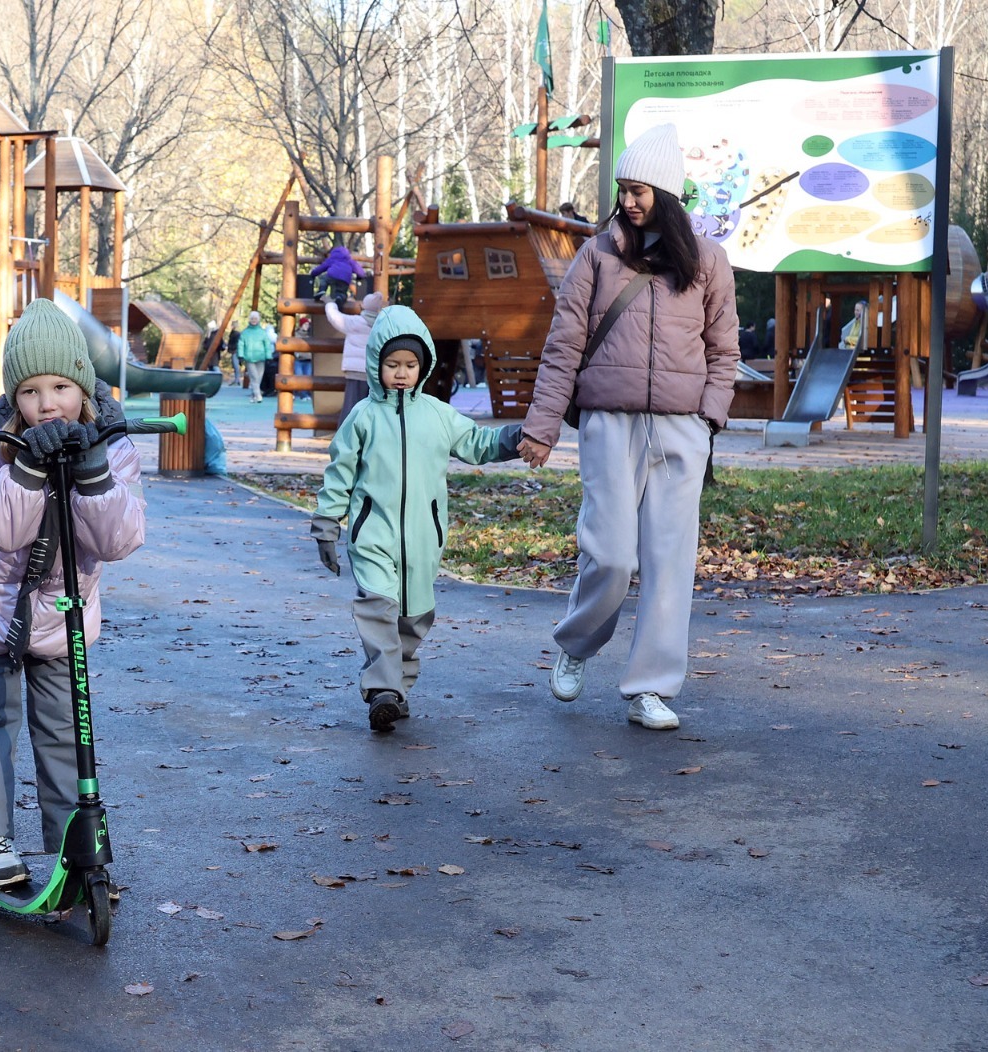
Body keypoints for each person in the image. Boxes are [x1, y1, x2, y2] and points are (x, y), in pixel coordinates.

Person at [516, 122, 740, 731]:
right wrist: (541, 428)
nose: (629, 200)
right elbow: (564, 345)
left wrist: (709, 416)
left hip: (680, 429)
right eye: (623, 189)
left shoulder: (708, 262)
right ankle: (576, 643)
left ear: (665, 194)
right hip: (609, 423)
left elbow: (724, 350)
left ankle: (651, 688)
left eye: (639, 190)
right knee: (610, 555)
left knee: (670, 562)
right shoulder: (598, 255)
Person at [0, 298, 145, 888]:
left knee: (64, 730)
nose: (46, 403)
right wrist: (27, 469)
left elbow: (117, 540)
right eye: (30, 391)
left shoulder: (112, 446)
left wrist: (91, 470)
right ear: (14, 398)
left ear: (83, 386)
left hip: (62, 621)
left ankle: (70, 841)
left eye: (60, 386)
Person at [309, 305, 523, 732]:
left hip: (424, 537)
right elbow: (339, 473)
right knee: (378, 608)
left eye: (410, 364)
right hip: (373, 533)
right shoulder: (363, 417)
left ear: (423, 365)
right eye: (392, 365)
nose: (402, 373)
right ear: (377, 365)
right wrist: (327, 525)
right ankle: (382, 689)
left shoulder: (439, 415)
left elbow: (477, 443)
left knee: (413, 617)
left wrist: (518, 437)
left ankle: (396, 690)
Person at [323, 291, 383, 426]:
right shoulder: (382, 325)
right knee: (371, 410)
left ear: (363, 306)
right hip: (375, 374)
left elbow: (335, 317)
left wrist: (330, 303)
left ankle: (345, 440)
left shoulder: (355, 322)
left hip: (355, 372)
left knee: (351, 408)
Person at [235, 311, 273, 403]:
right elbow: (241, 345)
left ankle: (254, 395)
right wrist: (240, 356)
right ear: (249, 320)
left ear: (258, 320)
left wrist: (269, 356)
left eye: (255, 319)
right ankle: (258, 395)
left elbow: (267, 345)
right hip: (249, 358)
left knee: (258, 378)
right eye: (252, 319)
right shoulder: (245, 332)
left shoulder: (262, 332)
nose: (254, 320)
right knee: (254, 377)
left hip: (261, 358)